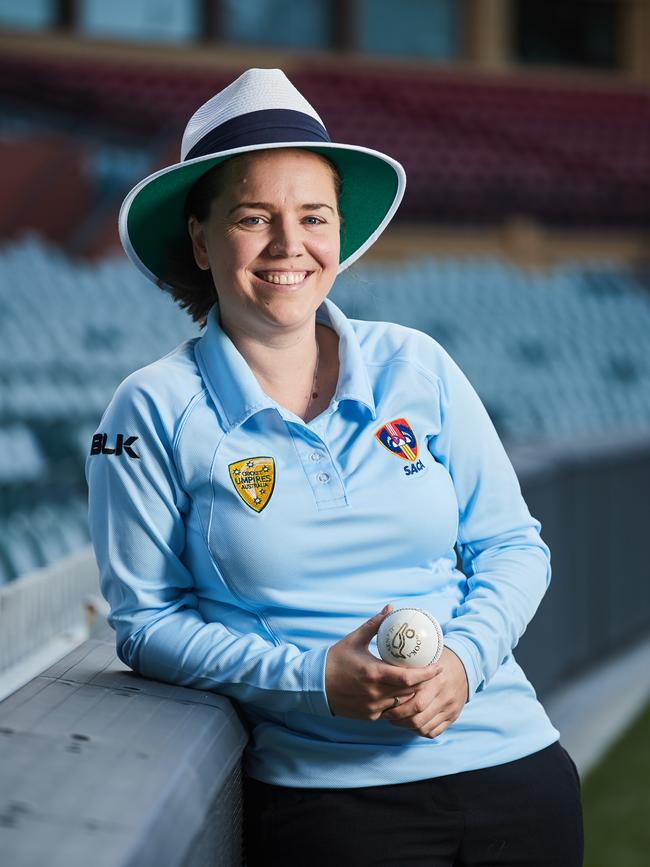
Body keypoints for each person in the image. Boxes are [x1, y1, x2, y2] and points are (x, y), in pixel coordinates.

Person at [86, 68, 584, 865]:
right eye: (255, 217)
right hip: (330, 806)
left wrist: (464, 658)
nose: (291, 245)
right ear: (201, 236)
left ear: (340, 233)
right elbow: (146, 624)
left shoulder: (417, 363)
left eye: (313, 216)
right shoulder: (149, 408)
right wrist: (314, 678)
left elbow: (513, 546)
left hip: (517, 769)